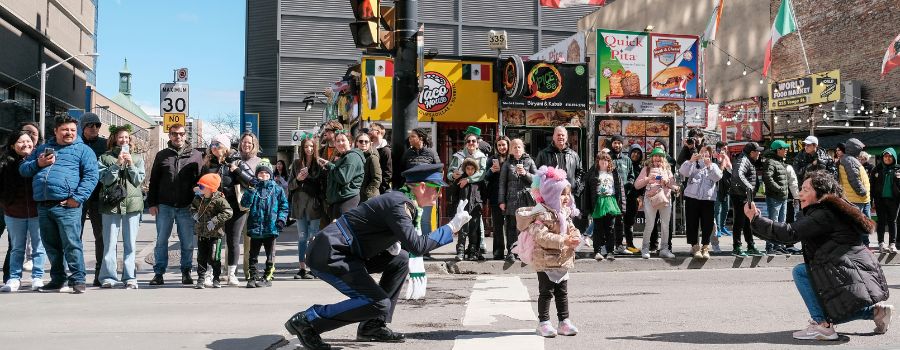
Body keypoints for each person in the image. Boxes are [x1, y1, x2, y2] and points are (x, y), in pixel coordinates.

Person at [283, 164, 472, 350]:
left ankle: (372, 326)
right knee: (378, 302)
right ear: (422, 187)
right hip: (330, 255)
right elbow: (417, 245)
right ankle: (308, 321)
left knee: (401, 259)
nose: (439, 194)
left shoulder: (401, 201)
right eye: (436, 188)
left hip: (347, 252)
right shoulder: (399, 204)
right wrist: (451, 227)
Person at [744, 170, 893, 340]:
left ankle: (822, 326)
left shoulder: (823, 214)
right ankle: (876, 312)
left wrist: (755, 219)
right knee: (831, 309)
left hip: (846, 272)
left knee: (801, 273)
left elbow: (789, 234)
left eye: (806, 189)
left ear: (821, 193)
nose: (800, 193)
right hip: (852, 272)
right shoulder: (832, 209)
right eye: (801, 188)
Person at [19, 116, 98, 293]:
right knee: (51, 245)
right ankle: (57, 279)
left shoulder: (83, 151)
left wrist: (77, 198)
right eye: (65, 129)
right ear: (55, 131)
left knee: (71, 243)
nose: (69, 133)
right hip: (44, 205)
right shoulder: (42, 148)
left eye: (72, 130)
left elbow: (91, 177)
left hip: (67, 205)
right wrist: (39, 163)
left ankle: (78, 279)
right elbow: (24, 169)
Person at [516, 166, 581, 338]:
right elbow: (541, 236)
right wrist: (564, 240)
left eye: (567, 193)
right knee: (546, 292)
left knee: (562, 292)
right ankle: (544, 322)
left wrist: (575, 237)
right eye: (562, 194)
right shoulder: (541, 214)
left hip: (561, 258)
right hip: (544, 259)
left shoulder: (564, 213)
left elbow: (572, 229)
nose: (566, 198)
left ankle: (564, 321)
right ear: (552, 194)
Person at [147, 123, 203, 286]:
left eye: (180, 134)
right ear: (169, 136)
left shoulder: (196, 155)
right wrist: (152, 203)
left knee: (187, 242)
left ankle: (186, 272)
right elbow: (154, 181)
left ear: (186, 135)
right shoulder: (161, 155)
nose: (177, 137)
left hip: (186, 206)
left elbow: (201, 181)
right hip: (164, 205)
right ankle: (158, 273)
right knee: (161, 241)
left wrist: (199, 203)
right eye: (174, 134)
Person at [97, 126, 145, 289]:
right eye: (120, 137)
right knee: (109, 243)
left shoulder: (138, 158)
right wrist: (117, 164)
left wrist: (130, 164)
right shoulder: (105, 157)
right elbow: (105, 180)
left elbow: (138, 181)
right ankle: (108, 277)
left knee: (130, 243)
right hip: (111, 205)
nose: (124, 140)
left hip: (132, 205)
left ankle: (130, 277)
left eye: (127, 137)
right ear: (114, 139)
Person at [0, 131, 45, 292]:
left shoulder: (39, 159)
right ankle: (14, 278)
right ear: (13, 145)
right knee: (16, 248)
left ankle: (37, 277)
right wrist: (5, 204)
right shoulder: (5, 163)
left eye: (29, 141)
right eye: (21, 142)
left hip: (36, 212)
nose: (26, 144)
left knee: (39, 247)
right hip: (13, 212)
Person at [241, 161, 289, 288]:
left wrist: (281, 220)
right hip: (255, 227)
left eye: (266, 173)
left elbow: (284, 206)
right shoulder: (253, 189)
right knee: (253, 254)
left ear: (270, 175)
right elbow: (244, 204)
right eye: (261, 173)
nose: (263, 175)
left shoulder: (277, 189)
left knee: (270, 254)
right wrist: (250, 190)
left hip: (271, 227)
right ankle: (252, 276)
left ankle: (267, 276)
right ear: (257, 175)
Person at [448, 128, 488, 259]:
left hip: (476, 193)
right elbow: (449, 174)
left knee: (475, 225)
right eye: (469, 141)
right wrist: (453, 175)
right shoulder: (458, 156)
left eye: (474, 141)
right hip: (461, 194)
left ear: (477, 143)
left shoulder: (482, 157)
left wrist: (468, 179)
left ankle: (473, 251)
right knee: (462, 224)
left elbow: (482, 174)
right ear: (466, 143)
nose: (471, 143)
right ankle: (460, 250)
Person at [78, 112, 108, 286]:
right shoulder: (76, 143)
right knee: (75, 236)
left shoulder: (105, 145)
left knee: (101, 236)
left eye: (97, 125)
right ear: (83, 126)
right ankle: (77, 273)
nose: (94, 128)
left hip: (99, 196)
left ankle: (99, 273)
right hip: (79, 196)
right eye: (91, 125)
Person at [289, 136, 325, 279]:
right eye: (306, 146)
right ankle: (302, 268)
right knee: (302, 237)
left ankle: (313, 268)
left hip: (314, 205)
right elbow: (290, 186)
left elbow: (323, 185)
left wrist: (309, 178)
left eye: (311, 146)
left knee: (313, 236)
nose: (308, 149)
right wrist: (298, 179)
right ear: (302, 148)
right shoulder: (297, 163)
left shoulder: (319, 163)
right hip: (299, 205)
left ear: (315, 147)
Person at [190, 174, 233, 289]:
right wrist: (194, 214)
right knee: (201, 257)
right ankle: (201, 279)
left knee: (214, 257)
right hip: (202, 233)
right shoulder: (198, 198)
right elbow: (192, 207)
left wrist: (215, 220)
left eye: (202, 186)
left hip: (215, 235)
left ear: (211, 188)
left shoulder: (219, 200)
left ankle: (216, 278)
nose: (199, 188)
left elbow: (228, 212)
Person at [635, 147, 679, 259]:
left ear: (663, 158)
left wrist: (671, 185)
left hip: (665, 199)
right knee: (650, 224)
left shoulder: (667, 169)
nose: (657, 158)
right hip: (650, 199)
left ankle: (664, 249)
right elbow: (637, 185)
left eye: (660, 156)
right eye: (655, 155)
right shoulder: (647, 169)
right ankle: (645, 248)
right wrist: (647, 178)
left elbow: (674, 186)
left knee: (665, 225)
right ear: (652, 157)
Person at [679, 146, 722, 259]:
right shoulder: (693, 164)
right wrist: (691, 160)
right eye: (702, 152)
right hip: (692, 198)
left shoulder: (714, 166)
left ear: (710, 155)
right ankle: (695, 247)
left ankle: (705, 247)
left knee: (707, 224)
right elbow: (683, 172)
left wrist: (709, 166)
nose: (704, 155)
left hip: (708, 199)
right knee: (692, 223)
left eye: (706, 153)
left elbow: (717, 177)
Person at [498, 138, 537, 262]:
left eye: (519, 146)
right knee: (510, 226)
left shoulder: (529, 161)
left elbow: (537, 180)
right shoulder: (507, 163)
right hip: (511, 199)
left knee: (525, 227)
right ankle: (511, 251)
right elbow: (502, 183)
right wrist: (501, 201)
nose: (517, 149)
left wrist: (525, 173)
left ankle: (524, 251)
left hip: (526, 199)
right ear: (510, 150)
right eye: (514, 147)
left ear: (523, 148)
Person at [729, 142, 765, 258]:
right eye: (758, 151)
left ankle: (750, 246)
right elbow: (738, 175)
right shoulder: (743, 160)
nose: (759, 153)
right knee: (739, 222)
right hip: (740, 195)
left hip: (745, 195)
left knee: (748, 222)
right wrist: (749, 187)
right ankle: (737, 247)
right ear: (752, 152)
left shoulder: (748, 159)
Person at [535, 126, 584, 210]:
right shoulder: (543, 154)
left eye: (562, 135)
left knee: (568, 221)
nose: (560, 137)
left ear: (566, 137)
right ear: (553, 137)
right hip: (550, 197)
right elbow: (537, 175)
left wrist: (576, 186)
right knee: (551, 221)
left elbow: (580, 172)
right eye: (558, 135)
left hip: (568, 197)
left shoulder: (574, 155)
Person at [588, 152, 624, 260]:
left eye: (606, 160)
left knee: (610, 228)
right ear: (597, 161)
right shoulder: (594, 172)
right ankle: (597, 251)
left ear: (609, 162)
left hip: (610, 200)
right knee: (597, 228)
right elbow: (588, 189)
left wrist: (622, 204)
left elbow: (619, 189)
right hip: (598, 201)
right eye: (601, 159)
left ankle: (610, 252)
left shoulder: (614, 173)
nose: (604, 162)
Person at [837, 138, 872, 246]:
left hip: (857, 198)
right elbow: (854, 179)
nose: (861, 150)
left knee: (862, 225)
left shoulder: (848, 159)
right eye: (859, 148)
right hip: (856, 198)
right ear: (855, 148)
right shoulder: (850, 160)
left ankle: (863, 246)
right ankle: (860, 247)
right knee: (859, 225)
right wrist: (863, 192)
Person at [763, 140, 791, 255]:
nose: (786, 150)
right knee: (774, 222)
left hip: (782, 197)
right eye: (784, 148)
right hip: (775, 197)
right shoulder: (771, 162)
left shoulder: (779, 161)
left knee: (781, 223)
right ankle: (771, 246)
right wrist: (779, 188)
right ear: (778, 150)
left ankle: (778, 245)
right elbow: (767, 178)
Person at [607, 136, 634, 255]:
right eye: (614, 143)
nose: (616, 145)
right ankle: (607, 246)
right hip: (609, 195)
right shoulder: (607, 158)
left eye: (619, 143)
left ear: (622, 145)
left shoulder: (627, 160)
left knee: (620, 221)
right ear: (611, 144)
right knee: (608, 222)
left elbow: (631, 175)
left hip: (623, 196)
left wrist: (629, 185)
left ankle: (619, 245)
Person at [871, 148, 900, 253]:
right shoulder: (876, 169)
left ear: (893, 157)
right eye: (885, 156)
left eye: (890, 156)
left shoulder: (898, 169)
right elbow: (872, 186)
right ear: (882, 157)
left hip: (894, 200)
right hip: (880, 200)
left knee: (893, 222)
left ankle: (892, 244)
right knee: (881, 221)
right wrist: (871, 200)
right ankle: (881, 243)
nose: (887, 158)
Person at [486, 136, 510, 260]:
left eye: (504, 145)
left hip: (510, 196)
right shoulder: (491, 160)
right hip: (495, 196)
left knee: (511, 225)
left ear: (508, 145)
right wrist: (491, 171)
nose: (502, 147)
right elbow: (486, 177)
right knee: (497, 225)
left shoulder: (512, 159)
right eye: (499, 145)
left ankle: (513, 250)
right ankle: (498, 251)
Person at [622, 144, 644, 253]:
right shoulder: (625, 163)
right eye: (634, 152)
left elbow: (642, 184)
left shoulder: (640, 168)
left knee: (629, 221)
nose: (636, 154)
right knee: (618, 221)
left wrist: (640, 196)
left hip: (633, 198)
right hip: (622, 196)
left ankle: (629, 244)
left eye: (638, 153)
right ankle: (623, 243)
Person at [713, 142, 733, 243]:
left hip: (726, 187)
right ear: (718, 149)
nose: (725, 151)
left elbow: (730, 170)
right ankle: (718, 229)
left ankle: (723, 226)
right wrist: (722, 160)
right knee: (717, 209)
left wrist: (725, 160)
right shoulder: (714, 157)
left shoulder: (727, 157)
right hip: (717, 188)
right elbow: (718, 170)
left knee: (726, 208)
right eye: (723, 149)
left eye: (725, 149)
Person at [356, 133, 382, 202]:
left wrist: (367, 193)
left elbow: (377, 179)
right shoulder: (355, 156)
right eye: (361, 141)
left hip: (369, 197)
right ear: (357, 143)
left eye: (366, 141)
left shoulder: (372, 157)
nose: (363, 143)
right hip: (358, 196)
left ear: (370, 143)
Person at [368, 123, 392, 194]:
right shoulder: (369, 148)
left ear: (378, 132)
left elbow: (387, 173)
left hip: (379, 190)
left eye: (371, 130)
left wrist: (380, 189)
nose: (369, 132)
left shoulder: (386, 150)